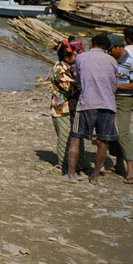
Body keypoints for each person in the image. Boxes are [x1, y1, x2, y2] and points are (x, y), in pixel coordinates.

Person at [65, 34, 118, 184]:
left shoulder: (81, 58)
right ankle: (94, 176)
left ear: (91, 43)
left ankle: (71, 174)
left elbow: (79, 79)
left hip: (86, 103)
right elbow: (114, 85)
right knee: (102, 142)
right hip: (107, 105)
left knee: (76, 138)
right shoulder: (112, 60)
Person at [49, 42, 86, 174]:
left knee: (75, 137)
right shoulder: (59, 69)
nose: (76, 56)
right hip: (61, 108)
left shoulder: (69, 67)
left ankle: (78, 164)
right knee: (65, 137)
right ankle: (64, 164)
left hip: (70, 107)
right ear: (66, 57)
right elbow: (70, 89)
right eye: (73, 54)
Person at [106, 34, 133, 184]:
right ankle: (118, 164)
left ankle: (130, 168)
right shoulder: (111, 61)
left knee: (123, 132)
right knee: (112, 131)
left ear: (119, 47)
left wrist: (116, 86)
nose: (109, 52)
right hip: (110, 99)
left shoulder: (132, 62)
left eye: (111, 49)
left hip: (125, 99)